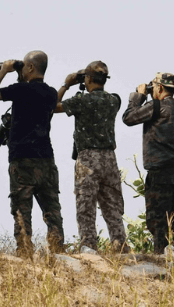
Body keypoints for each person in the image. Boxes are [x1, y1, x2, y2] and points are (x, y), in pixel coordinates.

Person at [0, 50, 64, 256]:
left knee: (22, 210)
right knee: (52, 210)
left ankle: (25, 252)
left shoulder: (20, 90)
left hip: (22, 159)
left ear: (30, 67)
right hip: (46, 159)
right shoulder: (51, 93)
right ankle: (57, 250)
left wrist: (4, 71)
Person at [55, 61, 129, 252]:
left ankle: (89, 245)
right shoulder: (114, 101)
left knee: (85, 203)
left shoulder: (81, 101)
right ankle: (119, 244)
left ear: (87, 78)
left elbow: (52, 106)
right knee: (112, 204)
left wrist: (66, 84)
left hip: (88, 158)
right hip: (110, 158)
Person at [122, 72, 174, 254]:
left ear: (159, 88)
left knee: (158, 218)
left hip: (159, 172)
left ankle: (160, 254)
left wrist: (139, 96)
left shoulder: (156, 106)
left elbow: (128, 118)